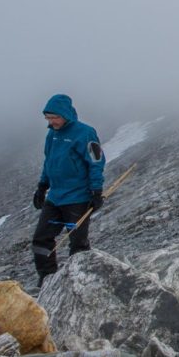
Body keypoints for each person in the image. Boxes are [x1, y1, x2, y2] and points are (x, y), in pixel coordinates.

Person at [31, 94, 105, 287]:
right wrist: (42, 186)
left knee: (78, 243)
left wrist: (96, 191)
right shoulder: (52, 134)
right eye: (48, 118)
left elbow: (96, 162)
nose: (51, 122)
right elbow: (49, 162)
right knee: (41, 238)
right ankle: (47, 279)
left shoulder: (85, 133)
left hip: (77, 197)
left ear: (65, 114)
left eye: (55, 117)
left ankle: (80, 281)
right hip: (55, 197)